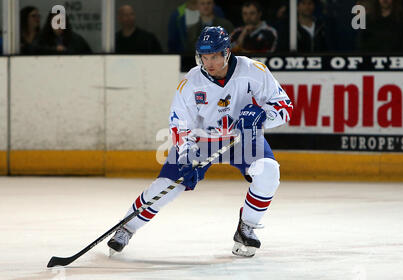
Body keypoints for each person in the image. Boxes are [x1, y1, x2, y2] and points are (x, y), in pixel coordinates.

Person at [107, 26, 294, 258]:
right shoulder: (191, 82)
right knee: (167, 186)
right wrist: (185, 156)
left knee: (269, 172)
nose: (209, 63)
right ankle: (126, 227)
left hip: (244, 138)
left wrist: (262, 115)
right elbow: (179, 124)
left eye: (214, 56)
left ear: (227, 52)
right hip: (201, 141)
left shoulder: (254, 71)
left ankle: (247, 226)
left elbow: (285, 107)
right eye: (204, 57)